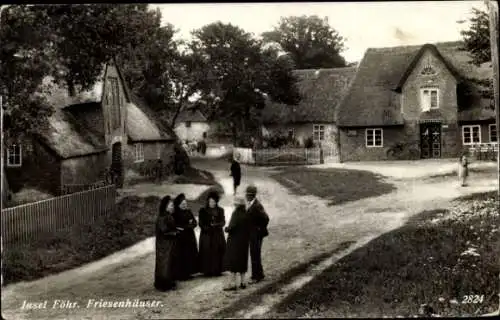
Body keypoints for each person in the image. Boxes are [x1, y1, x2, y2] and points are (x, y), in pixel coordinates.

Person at [223, 196, 252, 291]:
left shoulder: (236, 213)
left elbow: (232, 226)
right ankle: (243, 282)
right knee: (242, 260)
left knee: (233, 261)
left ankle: (233, 284)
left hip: (235, 241)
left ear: (237, 204)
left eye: (235, 203)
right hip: (244, 241)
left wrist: (226, 229)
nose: (234, 204)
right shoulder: (246, 213)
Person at [198, 191, 226, 277]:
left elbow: (223, 222)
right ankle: (207, 271)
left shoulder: (220, 210)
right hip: (206, 235)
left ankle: (217, 270)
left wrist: (216, 225)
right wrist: (208, 227)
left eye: (214, 202)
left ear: (216, 202)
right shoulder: (202, 210)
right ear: (208, 201)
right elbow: (201, 223)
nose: (212, 203)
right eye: (210, 202)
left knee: (217, 251)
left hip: (217, 234)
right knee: (207, 251)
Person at [245, 185, 269, 284]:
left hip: (256, 234)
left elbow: (266, 218)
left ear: (252, 195)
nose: (246, 196)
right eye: (246, 194)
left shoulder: (256, 205)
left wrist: (259, 229)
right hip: (253, 233)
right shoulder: (252, 204)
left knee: (255, 254)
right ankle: (259, 274)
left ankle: (256, 277)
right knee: (255, 254)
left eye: (248, 194)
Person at [173, 193, 199, 280]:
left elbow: (195, 222)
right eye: (182, 204)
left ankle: (188, 273)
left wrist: (188, 226)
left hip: (190, 236)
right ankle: (181, 275)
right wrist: (187, 225)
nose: (184, 206)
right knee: (182, 255)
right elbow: (175, 225)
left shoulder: (188, 211)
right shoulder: (175, 214)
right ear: (178, 205)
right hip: (180, 238)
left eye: (185, 204)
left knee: (190, 254)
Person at [154, 196, 178, 291]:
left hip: (169, 243)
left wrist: (175, 231)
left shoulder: (168, 216)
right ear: (166, 206)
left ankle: (169, 282)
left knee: (170, 263)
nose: (173, 207)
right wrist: (175, 232)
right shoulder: (162, 217)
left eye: (173, 205)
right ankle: (163, 284)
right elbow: (164, 231)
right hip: (164, 245)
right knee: (164, 264)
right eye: (171, 205)